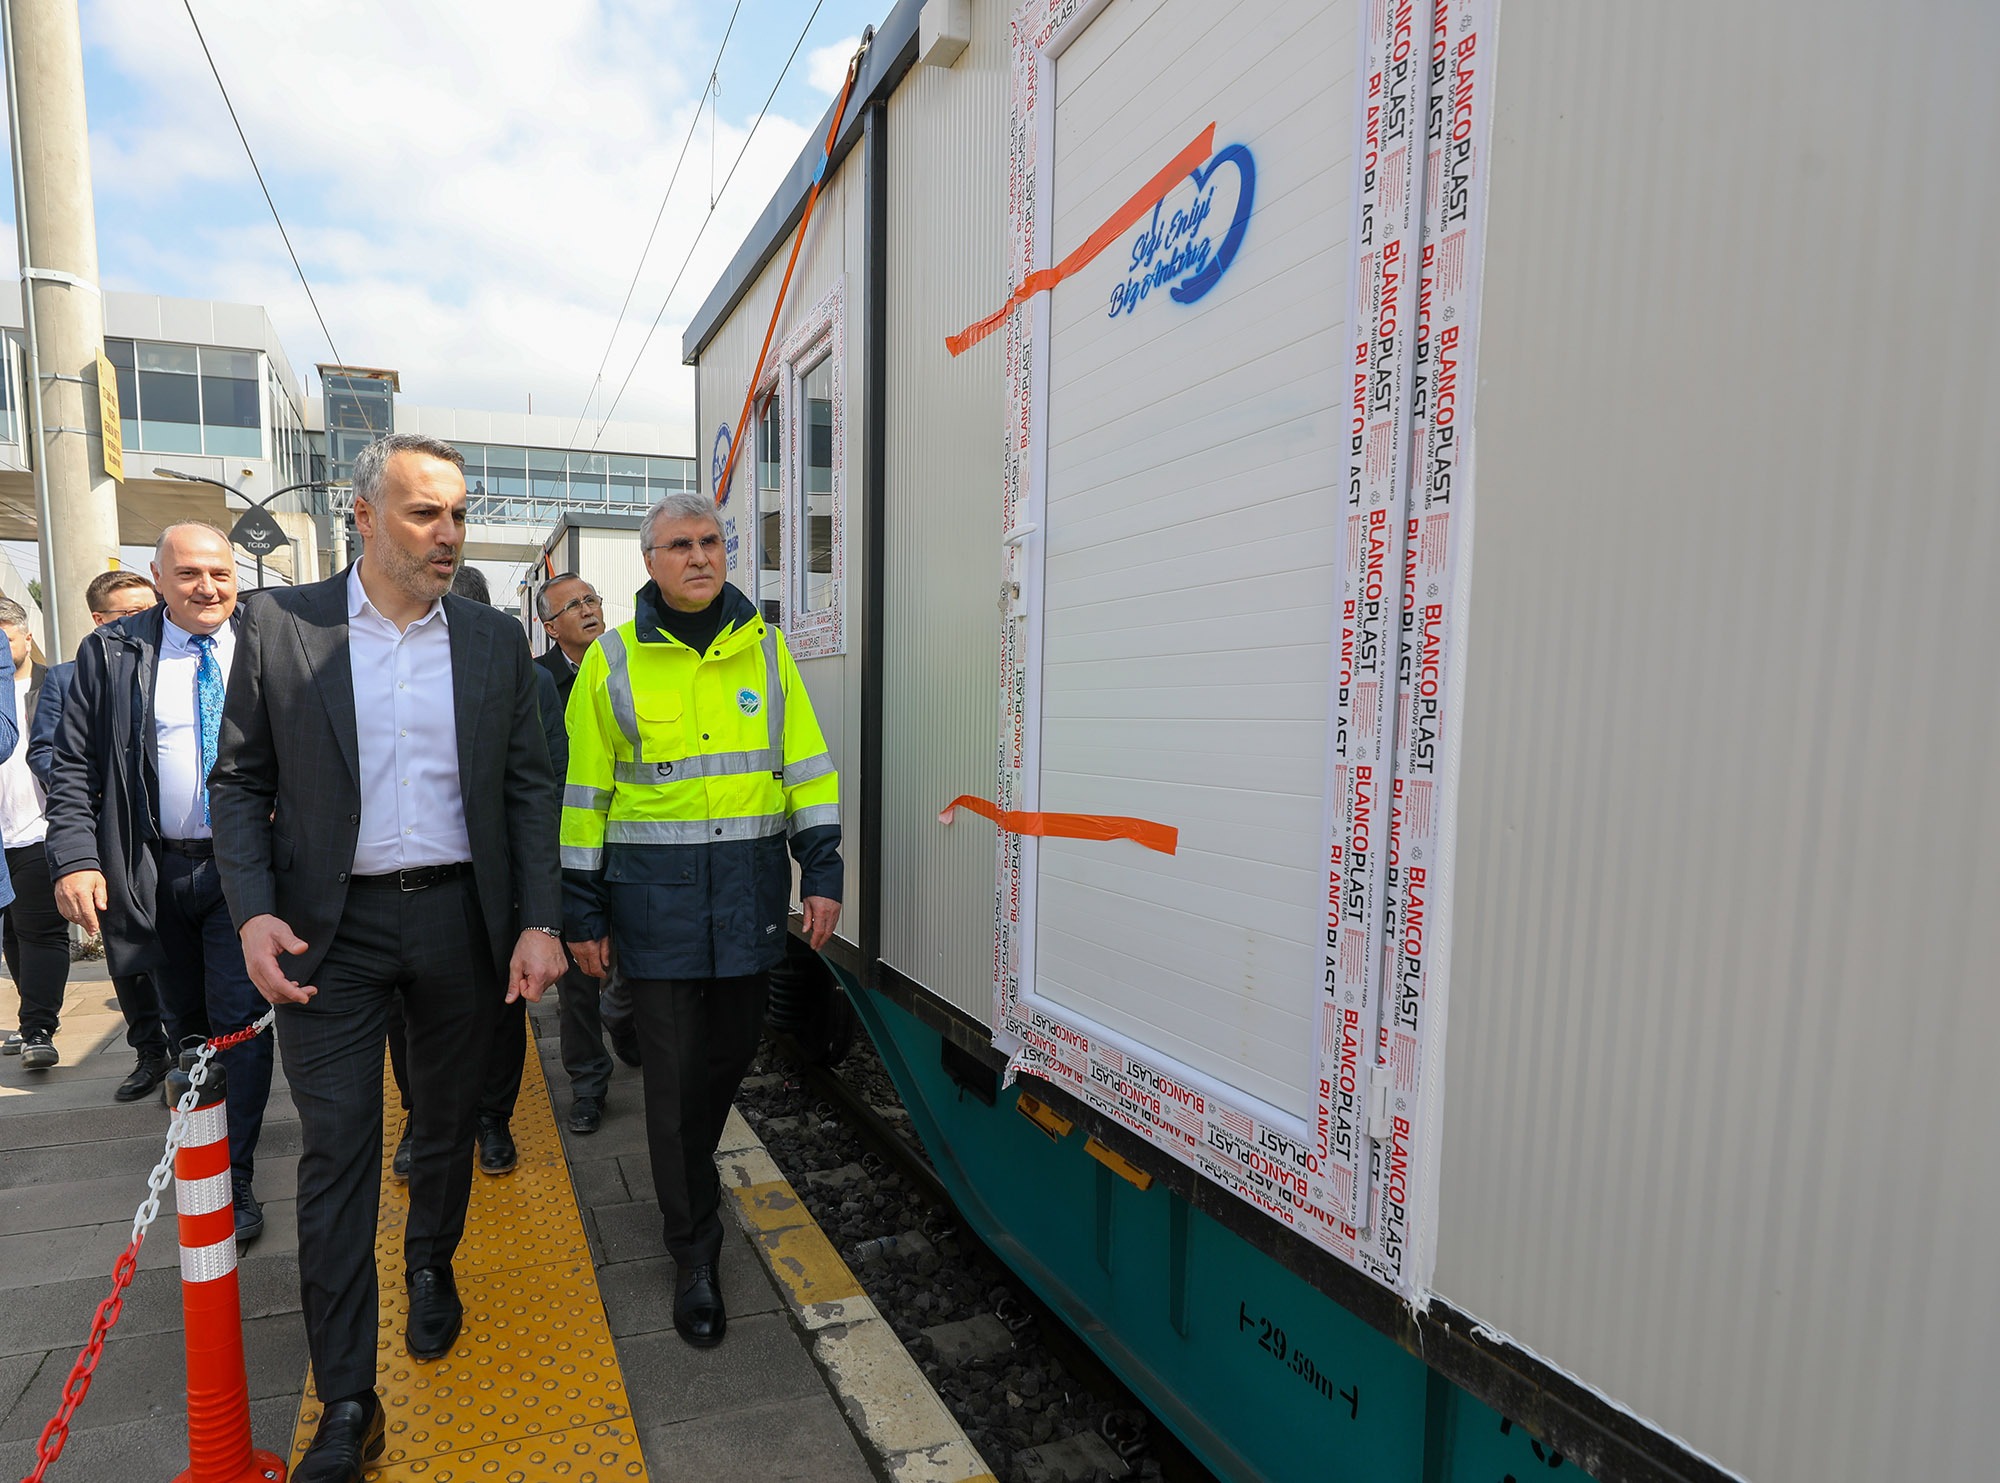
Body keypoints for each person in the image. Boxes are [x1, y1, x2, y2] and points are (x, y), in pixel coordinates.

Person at [210, 432, 565, 1483]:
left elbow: (530, 786)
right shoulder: (282, 625)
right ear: (364, 516)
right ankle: (348, 1399)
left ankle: (429, 1264)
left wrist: (537, 916)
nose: (447, 533)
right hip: (333, 934)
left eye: (456, 513)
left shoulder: (494, 640)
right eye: (424, 512)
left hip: (463, 924)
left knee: (445, 1127)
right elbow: (237, 781)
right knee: (338, 1153)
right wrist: (252, 912)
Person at [561, 490, 843, 1349]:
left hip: (748, 901)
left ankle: (686, 1174)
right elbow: (583, 801)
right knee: (678, 1092)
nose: (699, 556)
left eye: (711, 542)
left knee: (726, 1062)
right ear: (649, 562)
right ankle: (693, 1251)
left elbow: (807, 765)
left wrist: (822, 866)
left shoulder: (766, 650)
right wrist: (583, 910)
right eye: (679, 544)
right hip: (655, 908)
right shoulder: (610, 663)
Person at [45, 526, 273, 1243]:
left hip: (245, 870)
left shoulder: (271, 637)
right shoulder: (113, 652)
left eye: (220, 571)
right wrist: (77, 857)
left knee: (240, 1026)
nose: (208, 586)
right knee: (187, 1025)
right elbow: (74, 764)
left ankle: (232, 1178)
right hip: (153, 868)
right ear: (157, 576)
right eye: (189, 573)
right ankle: (199, 1146)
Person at [378, 560, 568, 1179]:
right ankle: (420, 1115)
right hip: (407, 883)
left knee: (501, 1005)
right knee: (407, 1015)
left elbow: (543, 783)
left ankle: (491, 1118)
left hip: (498, 880)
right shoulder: (387, 672)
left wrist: (540, 902)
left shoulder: (524, 677)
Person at [19, 571, 169, 1098]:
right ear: (99, 620)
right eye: (126, 614)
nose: (140, 620)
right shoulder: (71, 674)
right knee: (128, 954)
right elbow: (51, 754)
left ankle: (196, 1055)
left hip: (176, 837)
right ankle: (150, 1052)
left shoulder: (179, 661)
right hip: (113, 837)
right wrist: (103, 795)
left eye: (147, 608)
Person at [534, 572, 628, 1126]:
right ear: (550, 626)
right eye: (573, 605)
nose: (588, 609)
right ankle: (588, 1084)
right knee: (577, 978)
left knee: (632, 972)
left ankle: (632, 1034)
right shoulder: (538, 680)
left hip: (631, 840)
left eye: (592, 598)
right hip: (567, 847)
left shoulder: (629, 665)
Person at [0, 597, 62, 1071]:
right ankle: (29, 1023)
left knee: (40, 931)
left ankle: (39, 1026)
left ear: (25, 636)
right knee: (14, 938)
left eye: (3, 635)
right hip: (3, 836)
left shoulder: (51, 686)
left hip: (42, 827)